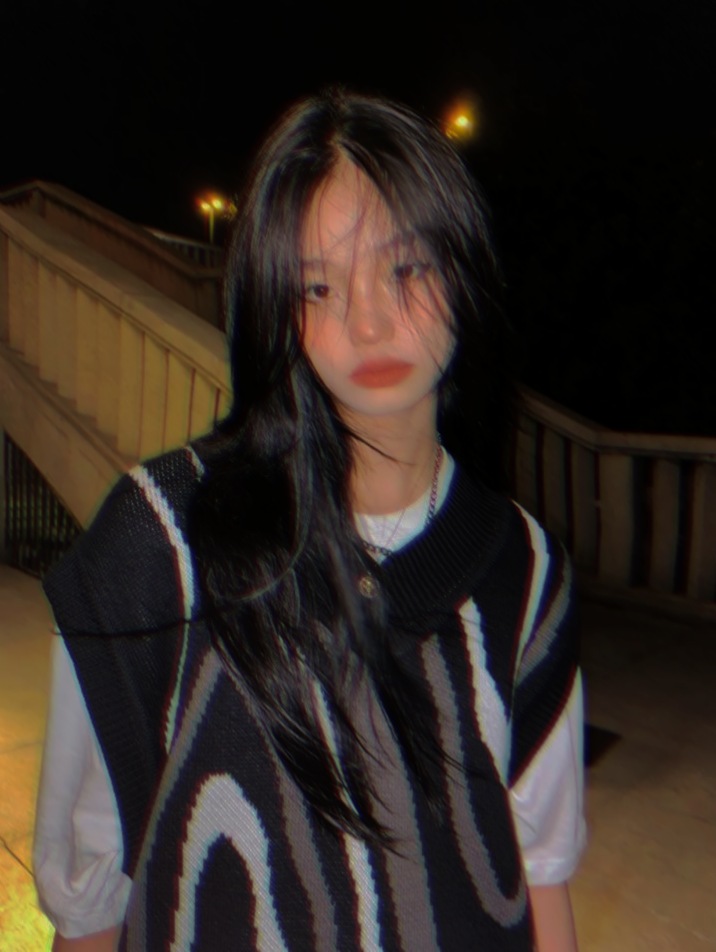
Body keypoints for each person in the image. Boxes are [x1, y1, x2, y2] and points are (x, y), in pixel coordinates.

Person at [34, 88, 585, 951]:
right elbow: (91, 892)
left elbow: (540, 871)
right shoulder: (159, 543)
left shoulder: (526, 565)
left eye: (406, 270)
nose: (368, 321)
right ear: (270, 306)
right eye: (317, 286)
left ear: (464, 270)